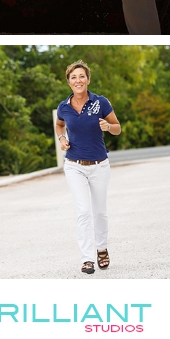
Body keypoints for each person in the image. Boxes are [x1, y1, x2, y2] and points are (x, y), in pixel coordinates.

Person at [56, 60, 121, 274]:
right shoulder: (63, 107)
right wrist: (61, 138)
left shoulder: (100, 102)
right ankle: (87, 259)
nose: (78, 80)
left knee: (100, 212)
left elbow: (117, 128)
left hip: (99, 165)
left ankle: (102, 248)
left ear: (88, 79)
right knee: (83, 212)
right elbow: (59, 125)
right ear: (68, 82)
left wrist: (108, 126)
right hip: (74, 165)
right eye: (73, 77)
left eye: (81, 76)